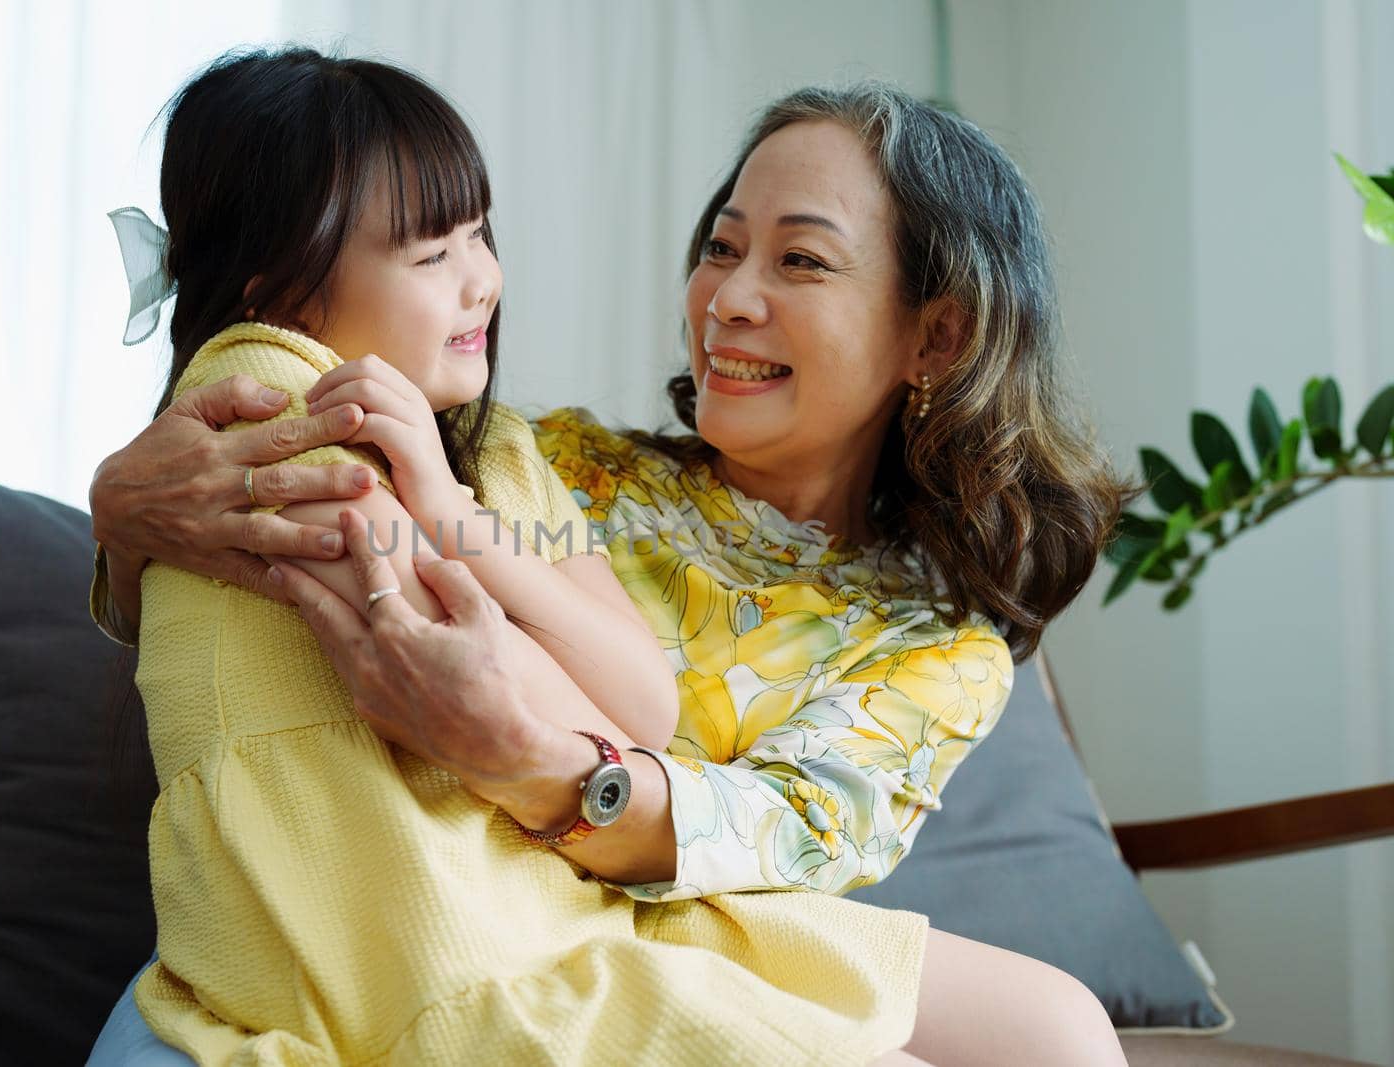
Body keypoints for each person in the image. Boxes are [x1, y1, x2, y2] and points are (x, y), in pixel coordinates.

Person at [89, 64, 1138, 1066]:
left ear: (937, 337)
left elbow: (761, 845)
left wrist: (527, 752)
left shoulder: (935, 651)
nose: (727, 298)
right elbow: (275, 565)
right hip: (409, 883)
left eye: (800, 261)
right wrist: (123, 511)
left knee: (1065, 1032)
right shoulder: (548, 457)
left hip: (669, 901)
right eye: (722, 249)